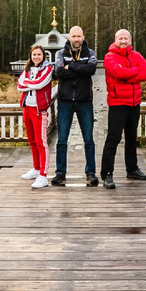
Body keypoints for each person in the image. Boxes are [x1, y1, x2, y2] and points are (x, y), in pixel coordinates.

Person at [100, 28, 146, 190]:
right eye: (120, 38)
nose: (123, 41)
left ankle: (132, 169)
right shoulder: (109, 57)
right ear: (116, 40)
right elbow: (117, 73)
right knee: (113, 139)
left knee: (131, 138)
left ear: (130, 40)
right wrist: (133, 72)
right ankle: (107, 174)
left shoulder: (137, 56)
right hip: (117, 104)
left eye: (126, 39)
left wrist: (128, 74)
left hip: (134, 103)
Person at [52, 25, 98, 187]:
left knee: (89, 140)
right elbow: (59, 72)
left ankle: (91, 172)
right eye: (74, 36)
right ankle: (60, 173)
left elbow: (91, 69)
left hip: (84, 101)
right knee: (62, 140)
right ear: (69, 38)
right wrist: (80, 69)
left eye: (79, 36)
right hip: (65, 102)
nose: (76, 39)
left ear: (83, 37)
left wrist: (70, 66)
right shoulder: (60, 53)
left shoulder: (90, 53)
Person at [17, 44, 54, 189]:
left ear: (43, 55)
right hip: (27, 107)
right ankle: (36, 168)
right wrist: (29, 84)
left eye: (39, 54)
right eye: (34, 55)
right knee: (31, 140)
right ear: (31, 56)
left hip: (39, 109)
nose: (36, 57)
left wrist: (28, 83)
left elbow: (40, 84)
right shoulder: (27, 69)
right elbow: (19, 85)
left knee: (41, 142)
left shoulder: (48, 68)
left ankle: (43, 175)